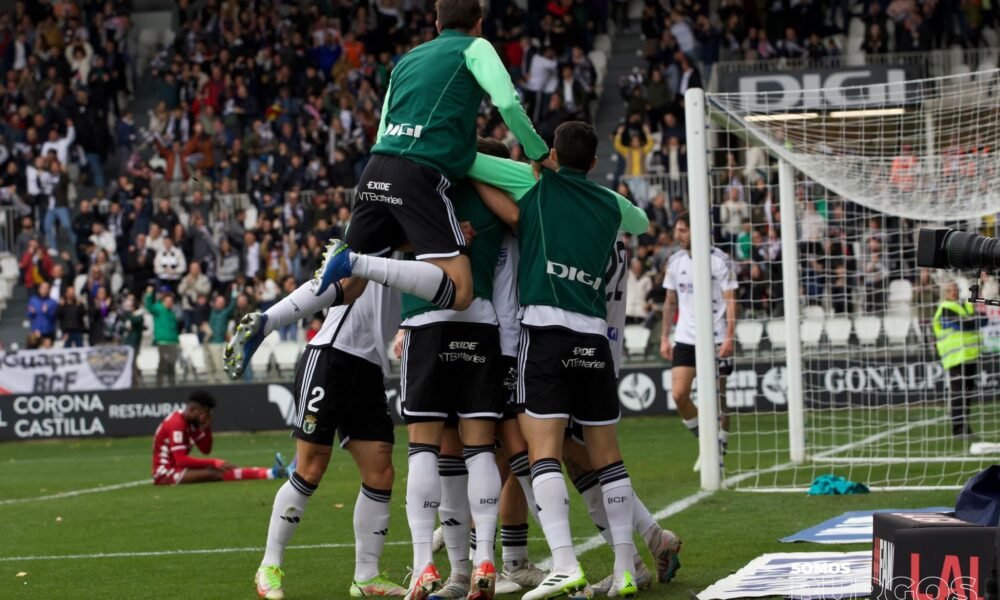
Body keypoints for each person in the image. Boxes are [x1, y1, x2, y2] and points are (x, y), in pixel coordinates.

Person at [465, 122, 650, 599]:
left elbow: (472, 167)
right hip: (594, 340)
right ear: (592, 163)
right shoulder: (609, 204)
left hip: (545, 333)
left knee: (541, 452)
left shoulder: (537, 188)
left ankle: (565, 563)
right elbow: (642, 223)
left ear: (551, 154)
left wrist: (517, 171)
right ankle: (627, 567)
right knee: (608, 456)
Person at [312, 0, 551, 326]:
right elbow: (507, 103)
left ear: (437, 24)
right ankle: (356, 262)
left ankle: (270, 318)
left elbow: (382, 129)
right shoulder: (475, 46)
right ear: (479, 24)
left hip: (374, 170)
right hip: (418, 173)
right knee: (462, 290)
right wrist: (537, 152)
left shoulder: (406, 59)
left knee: (350, 288)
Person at [223, 283, 407, 599]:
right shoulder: (380, 237)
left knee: (381, 471)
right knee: (310, 468)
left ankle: (366, 575)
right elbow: (328, 283)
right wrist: (268, 320)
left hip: (370, 367)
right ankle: (269, 565)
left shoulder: (427, 252)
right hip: (330, 357)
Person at [659, 212, 739, 471]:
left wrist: (729, 336)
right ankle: (708, 445)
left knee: (718, 399)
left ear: (697, 230)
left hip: (716, 337)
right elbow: (670, 302)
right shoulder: (675, 262)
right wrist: (664, 337)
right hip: (685, 338)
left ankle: (719, 451)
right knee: (680, 395)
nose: (678, 235)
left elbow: (731, 300)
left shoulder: (719, 261)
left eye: (683, 230)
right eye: (677, 230)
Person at [152, 390, 288, 485]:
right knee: (215, 473)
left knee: (218, 469)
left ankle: (272, 472)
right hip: (165, 474)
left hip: (177, 469)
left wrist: (206, 428)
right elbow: (181, 460)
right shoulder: (176, 423)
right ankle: (271, 473)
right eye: (205, 413)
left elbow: (205, 449)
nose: (206, 416)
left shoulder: (191, 423)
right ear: (193, 410)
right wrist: (214, 462)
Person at [933, 281, 984, 437]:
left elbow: (983, 319)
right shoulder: (945, 309)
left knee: (967, 394)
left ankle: (965, 428)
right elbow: (964, 325)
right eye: (950, 290)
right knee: (958, 394)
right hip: (955, 358)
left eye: (955, 289)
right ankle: (958, 430)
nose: (953, 292)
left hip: (970, 357)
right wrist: (973, 322)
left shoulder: (964, 306)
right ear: (945, 292)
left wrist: (973, 321)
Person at [145, 286, 181, 387]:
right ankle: (159, 385)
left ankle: (172, 385)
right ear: (163, 301)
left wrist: (177, 340)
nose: (170, 303)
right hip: (163, 342)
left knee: (172, 365)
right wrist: (149, 295)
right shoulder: (158, 309)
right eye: (167, 301)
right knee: (163, 364)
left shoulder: (171, 313)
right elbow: (149, 306)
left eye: (171, 301)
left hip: (173, 342)